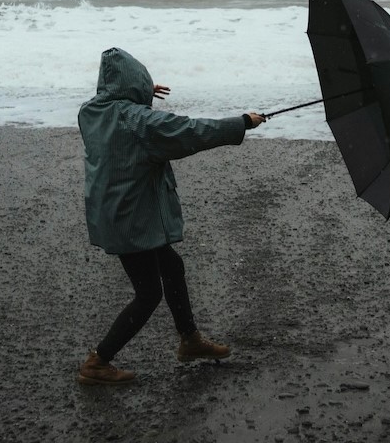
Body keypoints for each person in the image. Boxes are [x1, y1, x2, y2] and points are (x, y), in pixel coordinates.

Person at [76, 47, 266, 385]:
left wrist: (139, 93)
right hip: (130, 220)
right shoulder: (139, 122)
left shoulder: (91, 113)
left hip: (115, 212)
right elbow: (191, 131)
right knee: (148, 294)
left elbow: (120, 108)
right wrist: (241, 123)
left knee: (172, 266)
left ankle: (190, 340)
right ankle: (98, 361)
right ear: (133, 85)